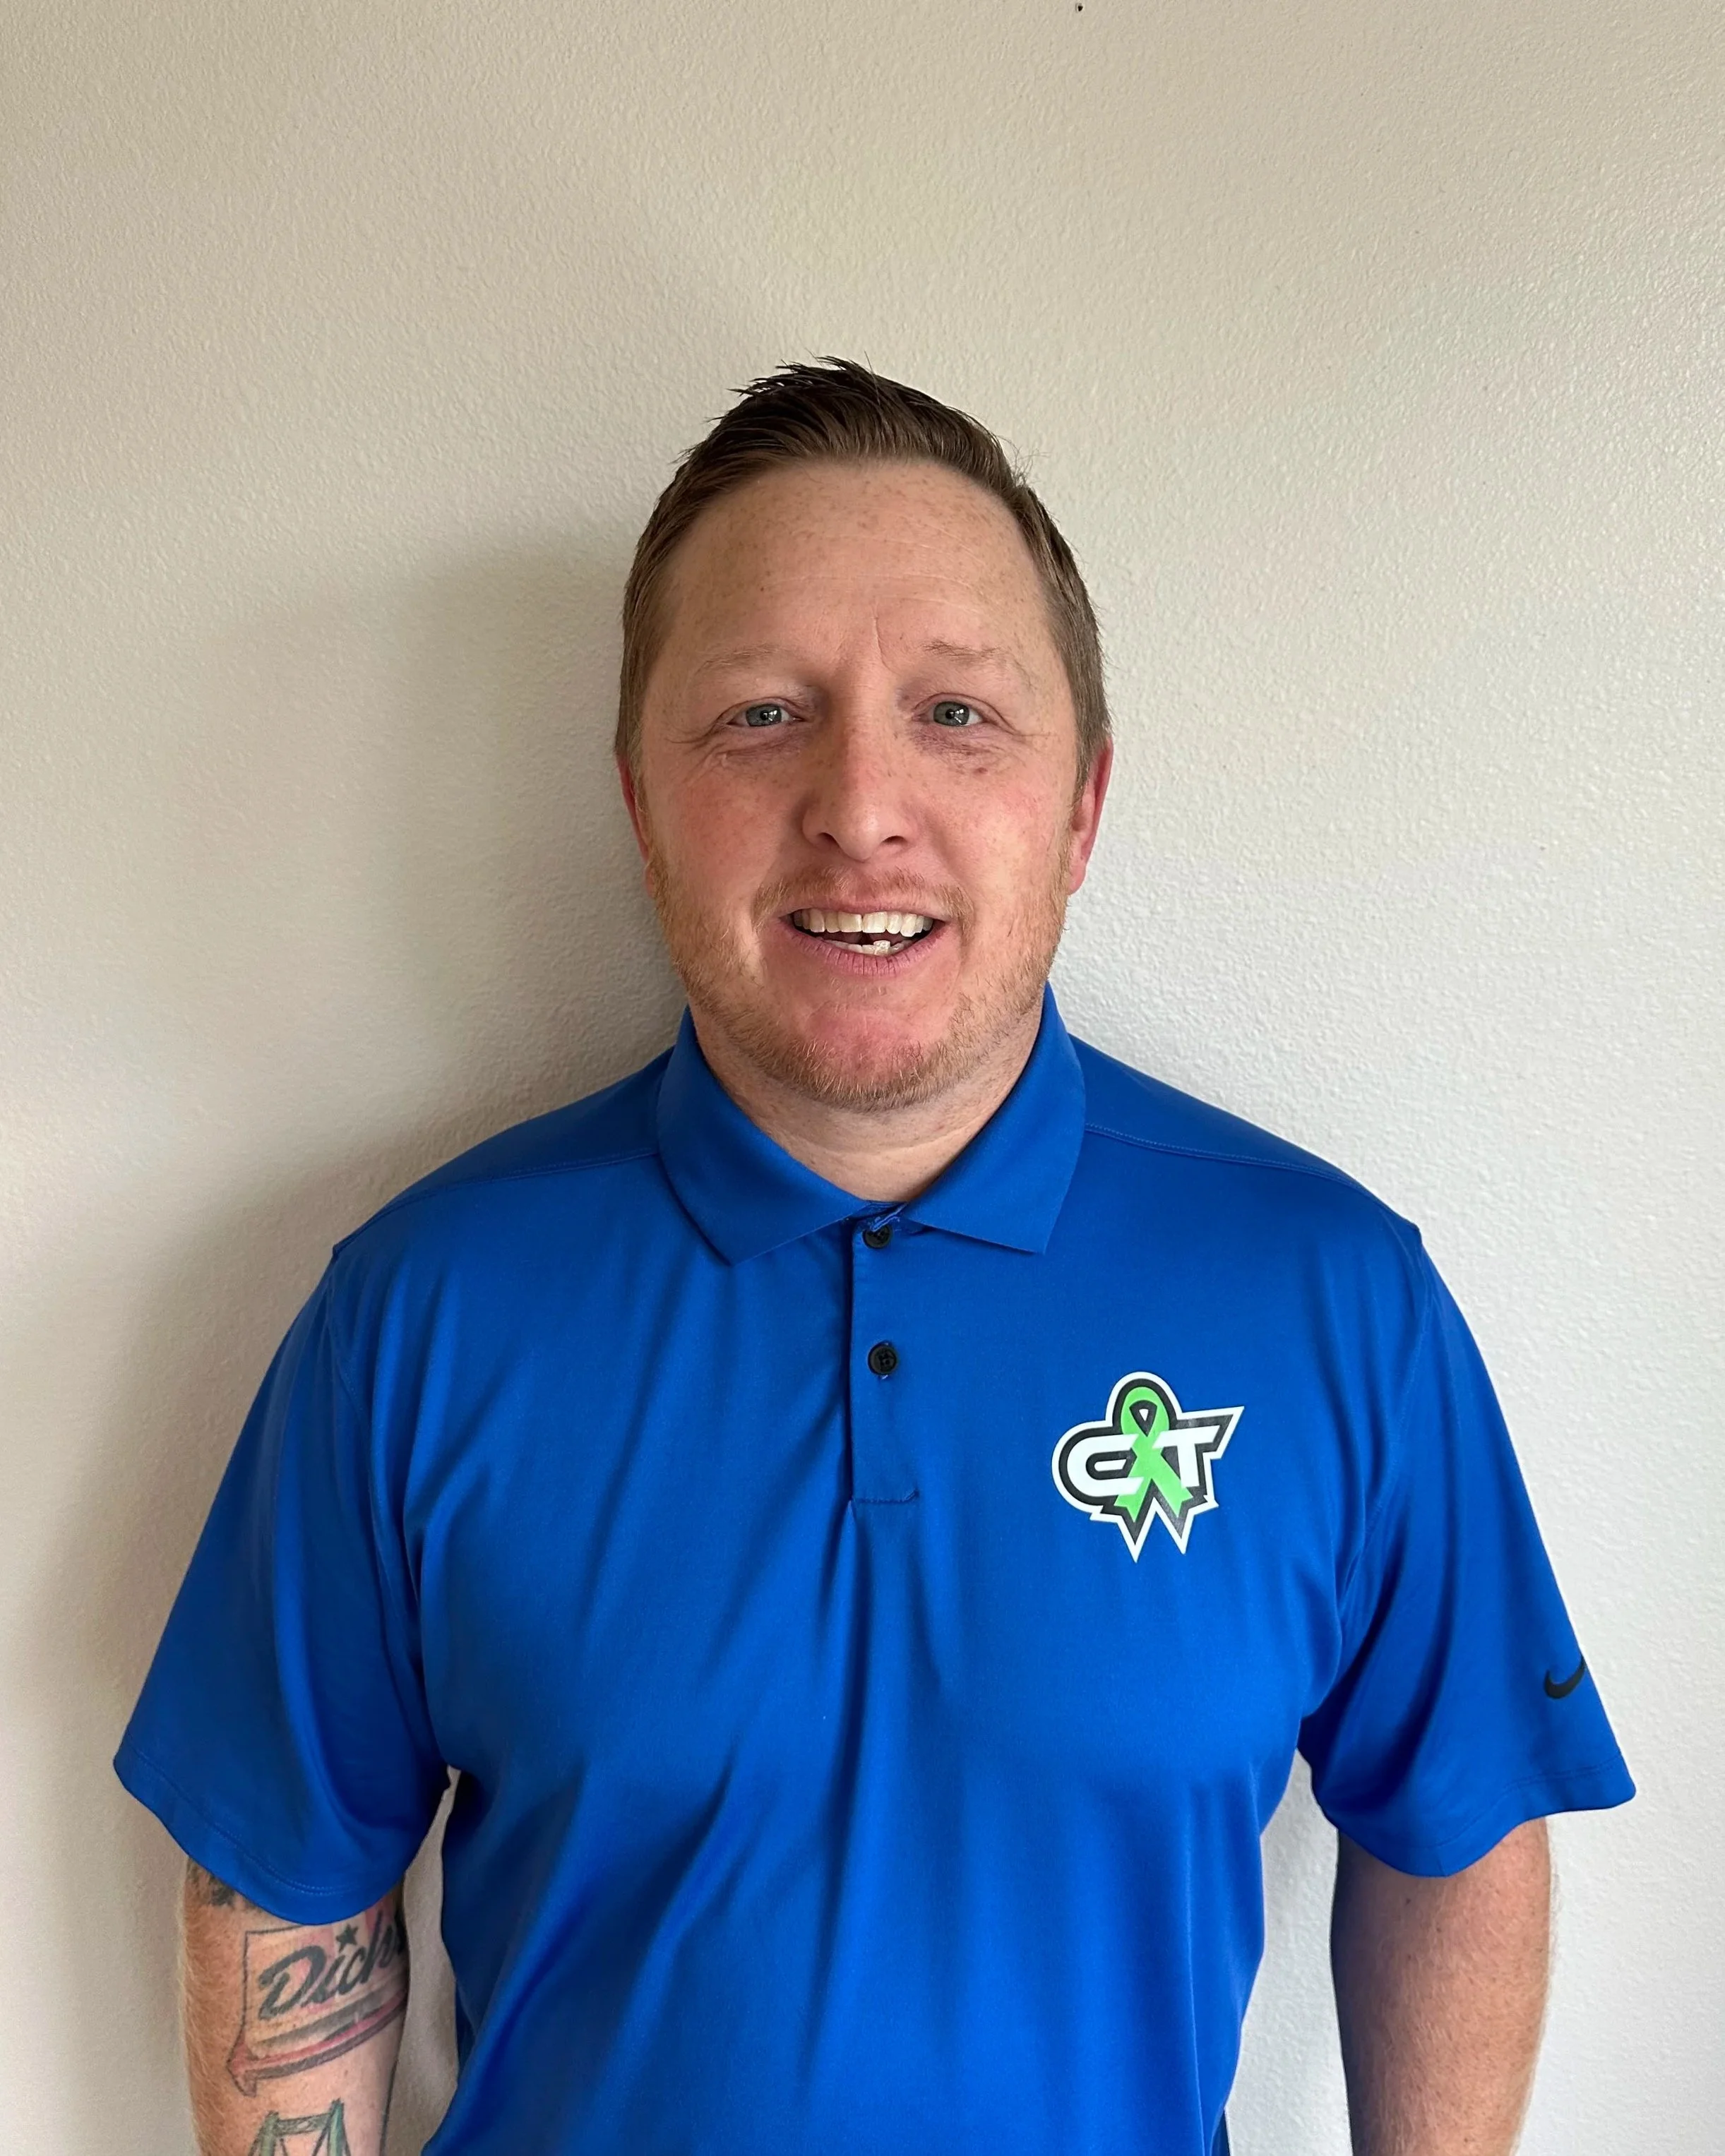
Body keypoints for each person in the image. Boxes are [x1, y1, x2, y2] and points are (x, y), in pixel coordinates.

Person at [117, 359, 1633, 2156]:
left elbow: (1457, 1829)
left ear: (1082, 808)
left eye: (958, 715)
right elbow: (290, 1882)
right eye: (761, 714)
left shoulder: (1334, 1305)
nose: (858, 801)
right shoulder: (421, 1319)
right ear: (638, 799)